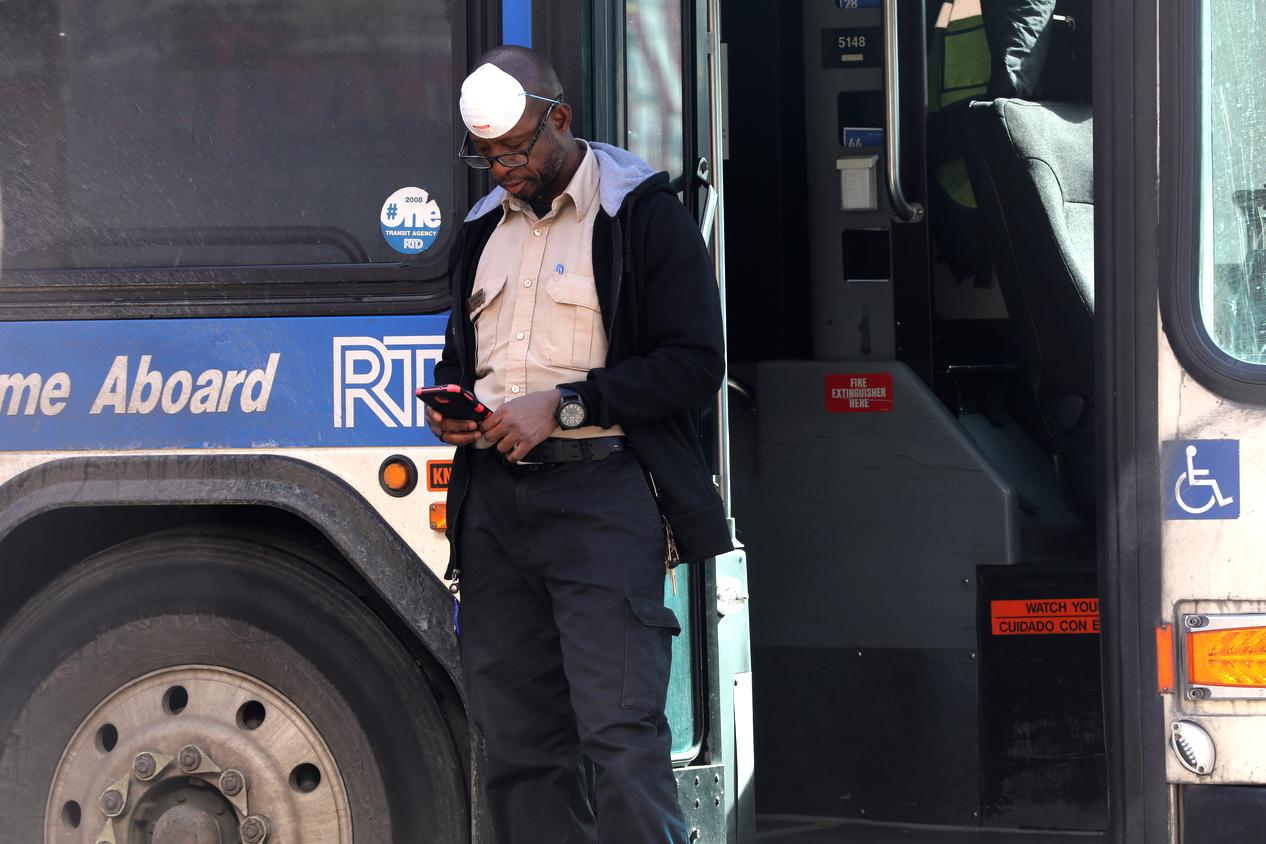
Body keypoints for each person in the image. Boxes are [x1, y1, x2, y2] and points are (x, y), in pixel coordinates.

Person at [427, 46, 733, 843]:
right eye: (484, 155)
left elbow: (696, 364)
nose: (501, 169)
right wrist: (455, 406)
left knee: (620, 738)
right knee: (520, 748)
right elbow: (467, 359)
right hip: (494, 505)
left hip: (604, 497)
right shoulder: (479, 231)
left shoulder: (639, 212)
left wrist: (564, 407)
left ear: (559, 119)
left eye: (516, 148)